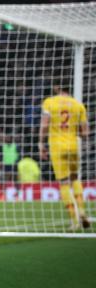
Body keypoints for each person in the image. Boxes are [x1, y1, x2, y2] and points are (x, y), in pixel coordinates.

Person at [39, 80, 91, 230]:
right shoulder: (78, 105)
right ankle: (82, 211)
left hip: (57, 147)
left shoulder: (49, 102)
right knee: (75, 178)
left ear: (57, 87)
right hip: (73, 145)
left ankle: (74, 220)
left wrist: (40, 143)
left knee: (63, 182)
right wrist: (82, 139)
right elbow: (85, 132)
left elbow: (44, 124)